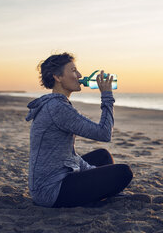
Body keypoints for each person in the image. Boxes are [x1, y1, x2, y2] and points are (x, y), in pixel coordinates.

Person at [25, 52, 133, 207]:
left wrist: (93, 171)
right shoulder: (57, 107)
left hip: (55, 176)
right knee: (123, 172)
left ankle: (106, 191)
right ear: (58, 77)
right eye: (73, 70)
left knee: (103, 156)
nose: (80, 75)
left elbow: (68, 156)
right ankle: (107, 192)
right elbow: (104, 133)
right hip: (51, 190)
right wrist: (107, 96)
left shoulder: (55, 104)